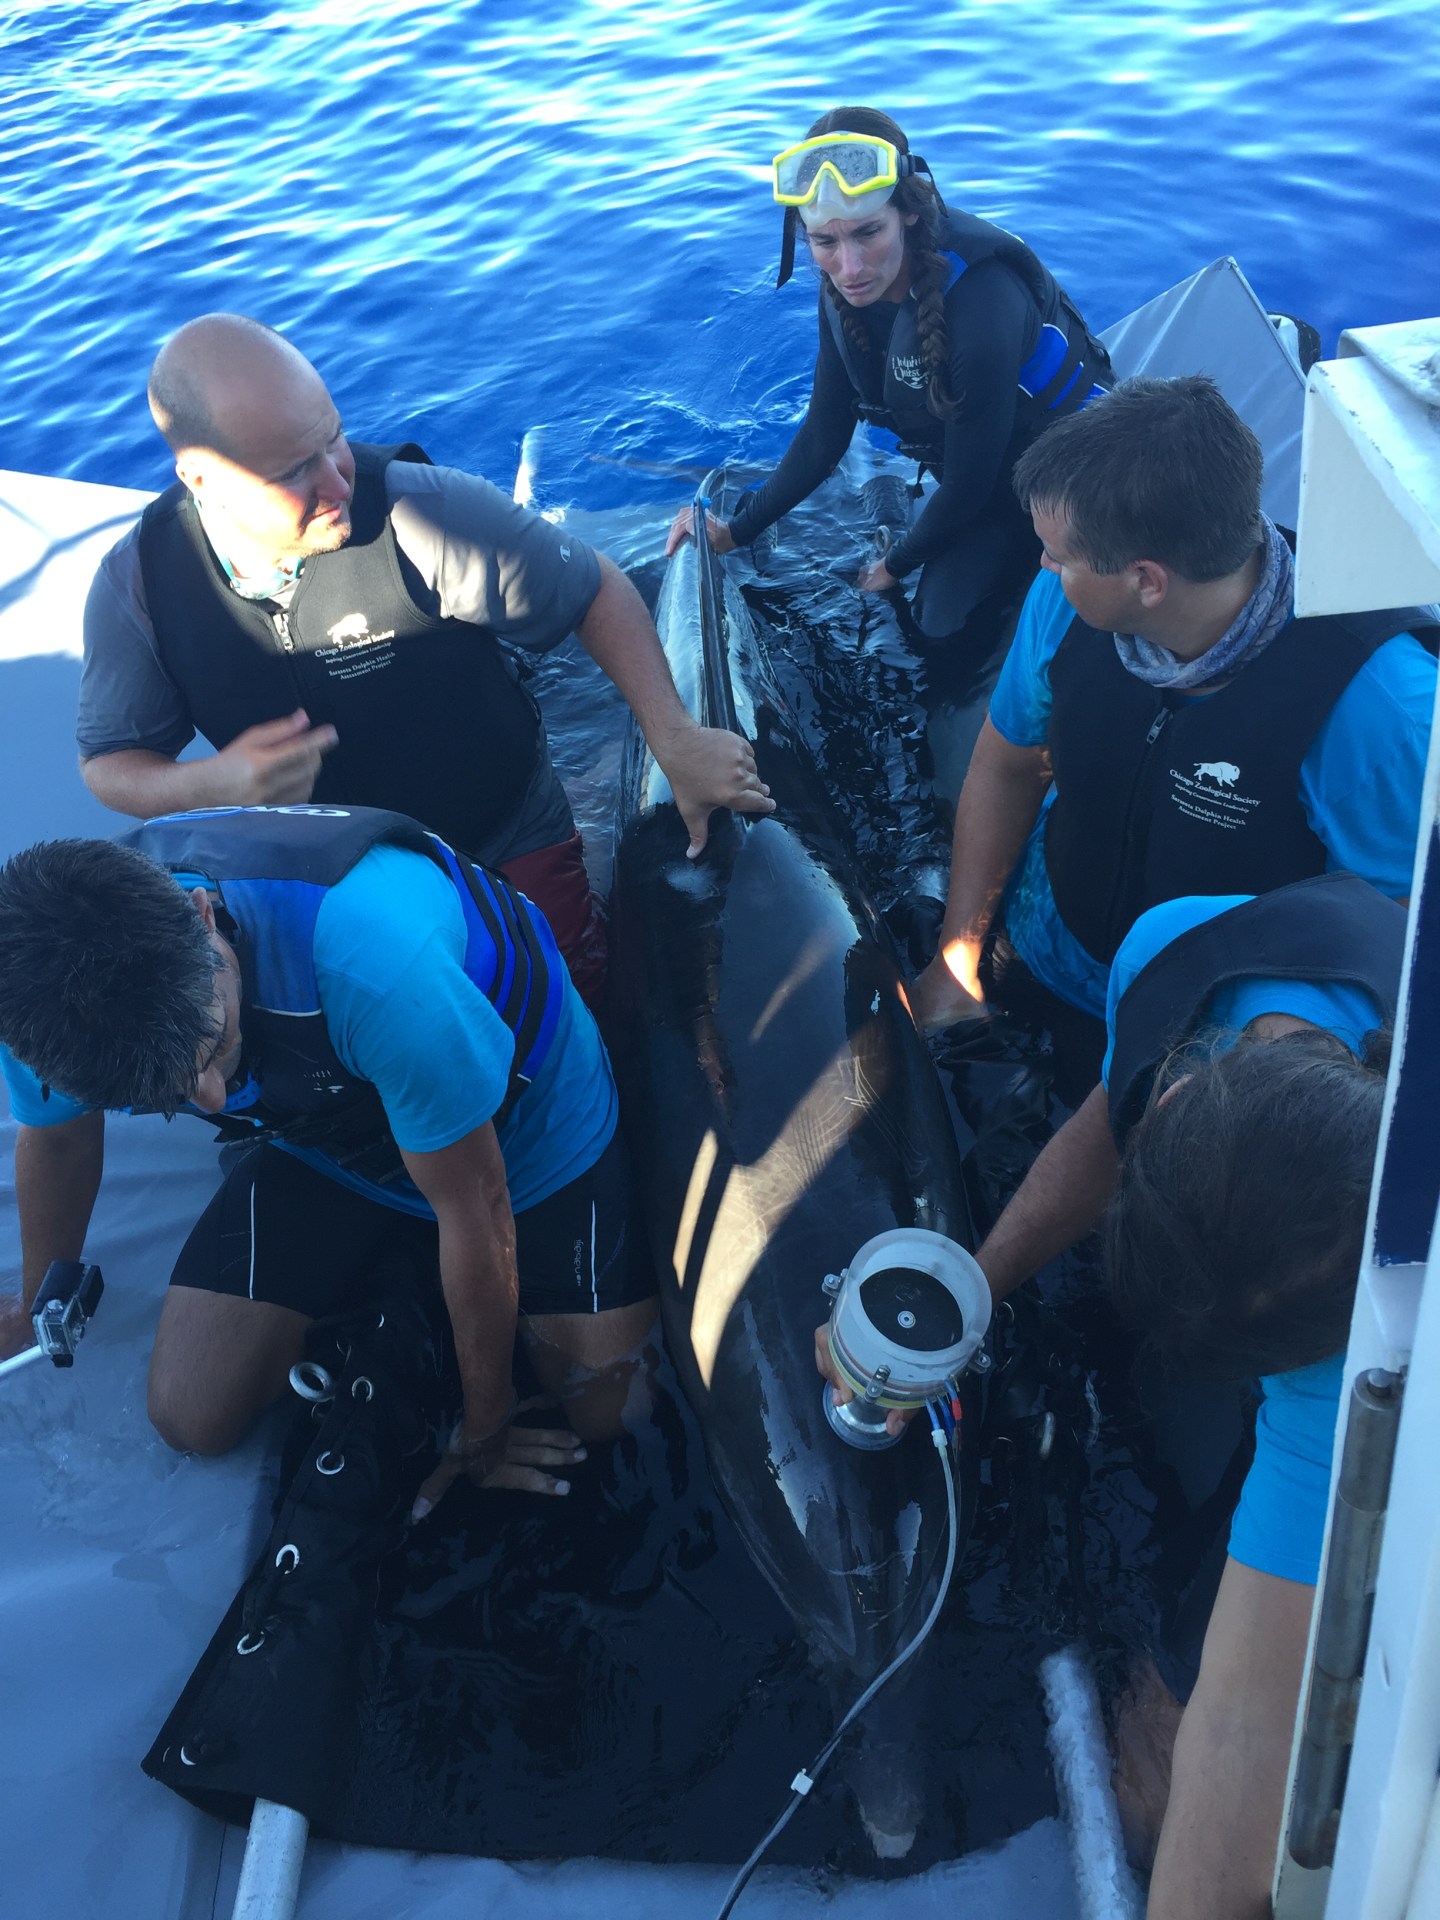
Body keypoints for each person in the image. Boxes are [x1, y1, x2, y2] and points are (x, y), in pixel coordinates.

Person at [821, 871, 1402, 1912]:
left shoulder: (1338, 1387)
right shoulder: (1181, 950)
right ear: (1182, 1089)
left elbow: (1239, 1726)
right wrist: (972, 1292)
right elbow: (1106, 1119)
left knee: (1148, 1796)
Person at [78, 314, 776, 1006]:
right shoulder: (140, 585)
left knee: (571, 997)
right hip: (336, 873)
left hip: (503, 828)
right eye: (294, 471)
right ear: (202, 480)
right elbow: (112, 762)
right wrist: (214, 783)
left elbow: (595, 591)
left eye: (333, 438)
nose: (338, 482)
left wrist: (675, 737)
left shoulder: (423, 511)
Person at [0, 803, 661, 1513]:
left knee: (614, 1413)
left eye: (211, 1048)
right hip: (326, 1136)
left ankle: (417, 1300)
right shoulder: (33, 991)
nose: (216, 1100)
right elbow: (61, 1135)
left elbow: (477, 1210)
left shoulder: (378, 963)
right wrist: (40, 1296)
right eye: (167, 1095)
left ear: (200, 914)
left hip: (520, 1132)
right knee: (191, 1416)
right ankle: (408, 1285)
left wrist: (486, 1424)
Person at [909, 375, 1435, 1042]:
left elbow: (1395, 932)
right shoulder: (1063, 600)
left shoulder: (1386, 711)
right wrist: (958, 961)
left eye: (1060, 556)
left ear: (1146, 581)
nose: (1042, 568)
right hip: (1047, 938)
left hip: (1202, 1025)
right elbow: (1008, 763)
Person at [665, 106, 1111, 643]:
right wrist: (735, 531)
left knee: (937, 629)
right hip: (977, 471)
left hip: (1065, 479)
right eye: (825, 242)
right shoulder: (845, 290)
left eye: (868, 233)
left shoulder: (982, 301)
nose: (849, 268)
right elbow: (824, 430)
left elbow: (971, 486)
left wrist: (892, 567)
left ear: (910, 214)